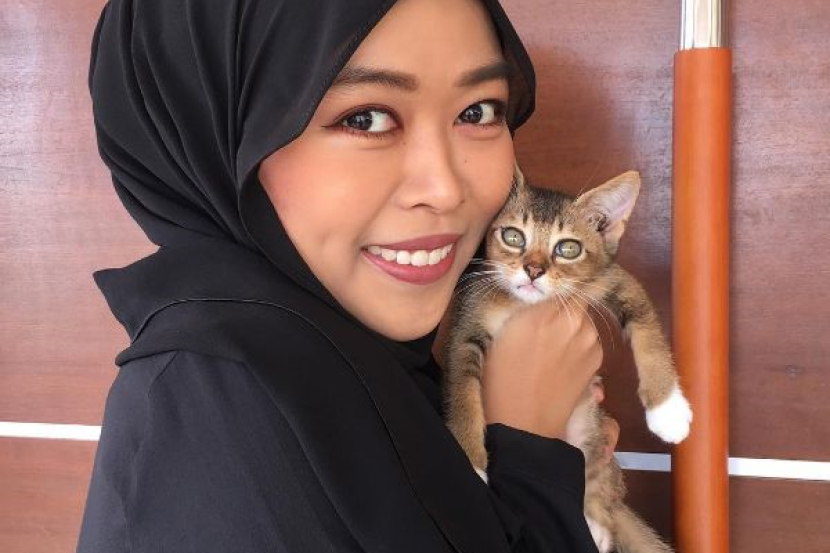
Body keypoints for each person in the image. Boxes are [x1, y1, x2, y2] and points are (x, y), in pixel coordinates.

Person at [76, 0, 620, 552]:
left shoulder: (356, 361)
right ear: (208, 128)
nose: (445, 188)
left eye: (478, 112)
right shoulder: (212, 410)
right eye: (365, 119)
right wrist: (529, 452)